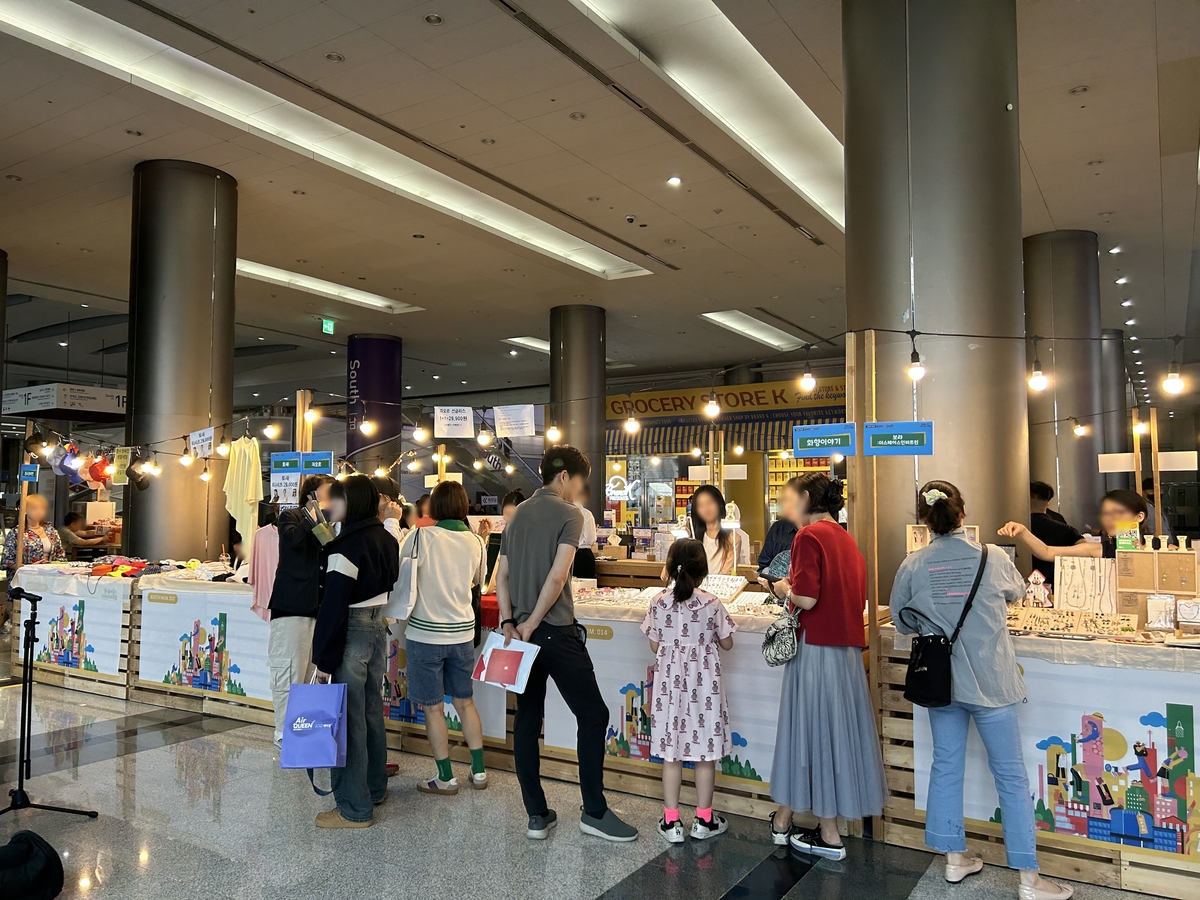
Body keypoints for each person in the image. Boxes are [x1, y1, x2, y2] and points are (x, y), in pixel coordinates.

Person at [892, 481, 1073, 900]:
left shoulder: (913, 564)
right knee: (1010, 775)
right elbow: (1018, 593)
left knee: (946, 765)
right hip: (991, 681)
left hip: (942, 683)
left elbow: (903, 622)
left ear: (923, 519)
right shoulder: (992, 557)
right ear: (963, 512)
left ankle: (954, 859)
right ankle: (1029, 879)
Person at [496, 445, 638, 842]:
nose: (579, 491)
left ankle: (537, 815)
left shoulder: (517, 513)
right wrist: (535, 624)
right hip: (556, 632)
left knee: (527, 718)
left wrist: (512, 623)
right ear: (564, 477)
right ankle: (593, 811)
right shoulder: (570, 514)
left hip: (521, 634)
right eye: (579, 482)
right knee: (593, 716)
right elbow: (558, 578)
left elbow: (501, 577)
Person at [767, 472, 886, 858]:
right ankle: (790, 821)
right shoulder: (849, 541)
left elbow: (806, 599)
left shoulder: (808, 536)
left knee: (811, 732)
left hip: (815, 648)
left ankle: (830, 835)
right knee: (835, 733)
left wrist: (781, 587)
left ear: (805, 498)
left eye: (791, 497)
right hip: (847, 651)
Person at [311, 475, 400, 828]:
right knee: (370, 711)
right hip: (378, 628)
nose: (332, 506)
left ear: (354, 503)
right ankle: (375, 788)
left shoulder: (345, 546)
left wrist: (322, 659)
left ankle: (353, 807)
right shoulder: (386, 538)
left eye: (338, 500)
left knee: (347, 719)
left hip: (351, 630)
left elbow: (333, 606)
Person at [641, 538, 736, 843]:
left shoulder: (658, 602)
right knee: (705, 753)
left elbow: (654, 643)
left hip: (670, 686)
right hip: (704, 684)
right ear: (703, 569)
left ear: (669, 568)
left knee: (672, 754)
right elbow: (728, 642)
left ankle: (672, 823)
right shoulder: (712, 603)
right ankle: (704, 819)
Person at [402, 480, 489, 794]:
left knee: (433, 708)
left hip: (426, 632)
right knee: (465, 703)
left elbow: (400, 574)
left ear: (433, 507)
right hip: (463, 632)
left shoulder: (421, 536)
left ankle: (445, 777)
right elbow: (479, 584)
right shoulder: (476, 542)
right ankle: (478, 773)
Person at [266, 474, 334, 746]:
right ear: (312, 494)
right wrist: (314, 515)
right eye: (328, 492)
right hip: (291, 606)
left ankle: (303, 728)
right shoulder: (291, 517)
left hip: (318, 608)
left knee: (311, 673)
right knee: (288, 671)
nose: (333, 497)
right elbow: (292, 541)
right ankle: (283, 730)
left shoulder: (330, 525)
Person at [1001, 489, 1149, 560]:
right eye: (1106, 513)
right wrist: (1022, 531)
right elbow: (1046, 552)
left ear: (1139, 516)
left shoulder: (1161, 549)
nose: (1109, 519)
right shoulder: (1099, 549)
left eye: (1118, 512)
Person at [2, 494, 67, 633]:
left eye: (42, 508)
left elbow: (61, 555)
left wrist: (53, 564)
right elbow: (6, 560)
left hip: (50, 579)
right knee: (25, 617)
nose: (39, 511)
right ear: (25, 510)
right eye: (34, 508)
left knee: (48, 617)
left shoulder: (51, 531)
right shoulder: (17, 533)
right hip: (26, 581)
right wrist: (27, 567)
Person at [1027, 482, 1082, 588]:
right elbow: (1084, 546)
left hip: (1022, 586)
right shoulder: (1065, 528)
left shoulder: (1014, 529)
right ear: (1047, 503)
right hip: (1057, 586)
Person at [689, 484, 749, 576]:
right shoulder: (692, 537)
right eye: (700, 505)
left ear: (720, 504)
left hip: (718, 588)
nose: (706, 508)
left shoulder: (733, 538)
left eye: (710, 503)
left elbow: (726, 572)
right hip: (692, 588)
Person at [482, 490, 524, 594]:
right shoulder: (497, 531)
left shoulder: (528, 535)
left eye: (513, 515)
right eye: (506, 514)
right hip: (496, 587)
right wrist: (483, 537)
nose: (509, 519)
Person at [757, 501, 798, 578]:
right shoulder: (778, 528)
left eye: (791, 499)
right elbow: (764, 564)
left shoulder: (817, 531)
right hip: (776, 587)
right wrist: (768, 578)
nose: (785, 504)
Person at [573, 483, 598, 579]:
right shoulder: (586, 514)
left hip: (564, 555)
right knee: (586, 589)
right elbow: (590, 539)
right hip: (582, 555)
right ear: (585, 495)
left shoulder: (563, 511)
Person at [1141, 477, 1176, 544]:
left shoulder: (1157, 507)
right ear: (1143, 492)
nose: (1157, 494)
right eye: (1152, 491)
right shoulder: (1143, 508)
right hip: (1156, 546)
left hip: (1168, 545)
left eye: (1160, 490)